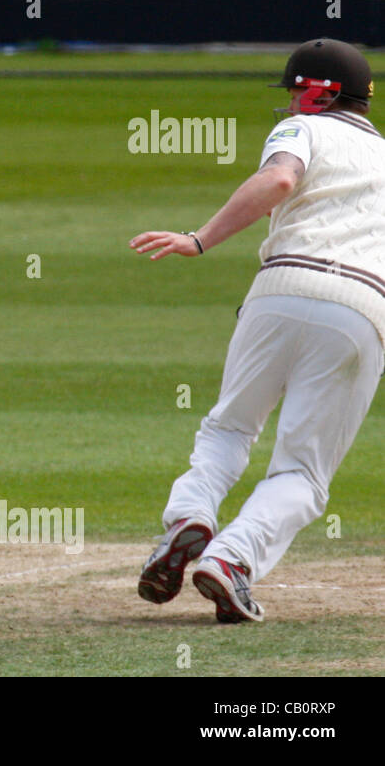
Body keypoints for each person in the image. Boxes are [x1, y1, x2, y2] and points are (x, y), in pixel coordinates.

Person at [131, 38, 383, 622]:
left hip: (279, 288)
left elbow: (278, 182)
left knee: (229, 427)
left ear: (320, 93)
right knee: (303, 472)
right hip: (362, 308)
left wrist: (199, 239)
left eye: (297, 90)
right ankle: (233, 559)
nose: (292, 102)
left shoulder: (306, 132)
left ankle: (191, 514)